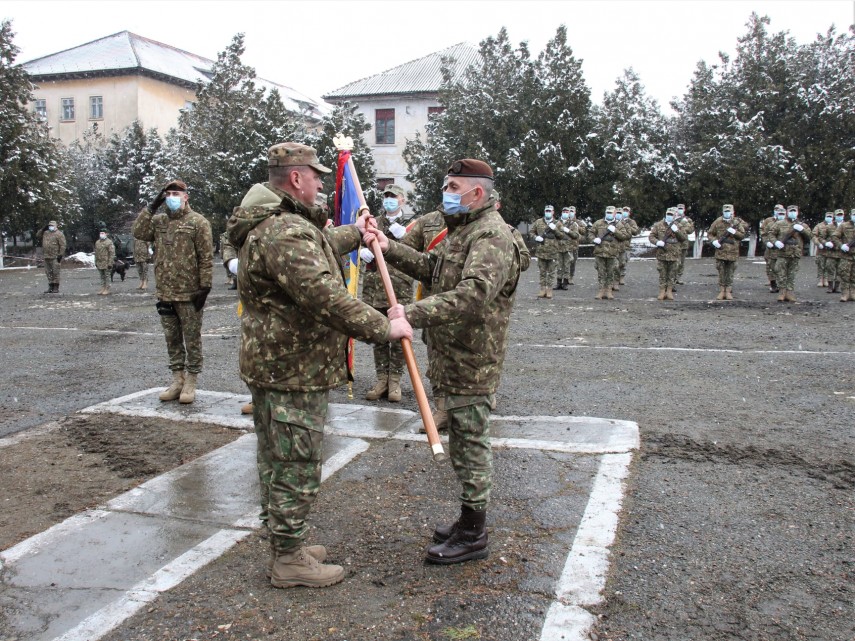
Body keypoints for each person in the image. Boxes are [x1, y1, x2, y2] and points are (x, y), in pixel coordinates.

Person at [226, 141, 412, 588]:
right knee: (295, 463)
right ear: (296, 178)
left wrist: (354, 230)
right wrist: (384, 328)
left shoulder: (275, 224)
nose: (321, 182)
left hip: (276, 364)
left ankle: (287, 541)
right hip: (293, 369)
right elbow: (325, 296)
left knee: (276, 458)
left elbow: (317, 245)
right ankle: (289, 559)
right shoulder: (286, 231)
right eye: (315, 175)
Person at [363, 158, 521, 565]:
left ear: (477, 193)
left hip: (473, 358)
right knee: (462, 442)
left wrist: (409, 315)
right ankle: (469, 519)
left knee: (470, 443)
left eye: (453, 187)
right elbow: (435, 269)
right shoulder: (464, 230)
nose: (447, 194)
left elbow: (472, 294)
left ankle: (473, 532)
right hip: (451, 354)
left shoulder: (492, 236)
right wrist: (388, 247)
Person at [132, 180, 213, 404]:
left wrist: (205, 287)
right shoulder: (158, 221)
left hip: (189, 293)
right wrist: (151, 206)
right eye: (167, 194)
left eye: (176, 193)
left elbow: (206, 258)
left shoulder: (198, 222)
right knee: (172, 339)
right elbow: (138, 232)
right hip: (166, 291)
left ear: (186, 196)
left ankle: (191, 380)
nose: (171, 197)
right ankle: (177, 378)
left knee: (192, 338)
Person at [360, 184, 414, 403]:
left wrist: (407, 237)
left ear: (402, 200)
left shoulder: (412, 224)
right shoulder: (374, 222)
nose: (389, 200)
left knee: (399, 336)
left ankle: (395, 381)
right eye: (386, 197)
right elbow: (359, 240)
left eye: (394, 197)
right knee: (380, 334)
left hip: (398, 287)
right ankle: (382, 378)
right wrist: (361, 251)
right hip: (375, 287)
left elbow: (421, 253)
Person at [768, 205, 811, 303]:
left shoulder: (802, 225)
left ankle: (789, 292)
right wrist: (776, 242)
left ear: (797, 212)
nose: (792, 213)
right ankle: (782, 292)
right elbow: (771, 234)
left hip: (795, 253)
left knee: (792, 274)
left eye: (794, 211)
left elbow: (810, 237)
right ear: (787, 212)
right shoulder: (779, 223)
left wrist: (802, 230)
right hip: (783, 252)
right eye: (791, 211)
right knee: (781, 273)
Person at [587, 206, 630, 299]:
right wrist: (594, 239)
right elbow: (590, 233)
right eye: (607, 212)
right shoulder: (598, 223)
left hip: (612, 252)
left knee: (611, 272)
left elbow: (624, 236)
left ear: (615, 213)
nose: (609, 214)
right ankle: (601, 290)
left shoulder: (619, 225)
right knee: (601, 272)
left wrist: (615, 231)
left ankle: (609, 290)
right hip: (600, 251)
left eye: (611, 212)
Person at [707, 204, 746, 300]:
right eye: (726, 211)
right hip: (721, 251)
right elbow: (710, 233)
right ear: (723, 212)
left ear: (733, 212)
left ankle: (728, 291)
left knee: (730, 272)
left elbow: (742, 236)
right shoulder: (718, 221)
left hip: (733, 252)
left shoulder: (737, 222)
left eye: (729, 211)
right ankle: (721, 291)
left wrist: (734, 232)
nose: (727, 213)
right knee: (721, 272)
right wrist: (714, 241)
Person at [648, 207, 687, 300]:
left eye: (671, 215)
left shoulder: (678, 225)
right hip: (662, 253)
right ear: (665, 214)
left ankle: (669, 291)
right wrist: (657, 242)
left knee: (672, 273)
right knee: (662, 273)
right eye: (668, 214)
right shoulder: (658, 225)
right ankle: (662, 291)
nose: (669, 216)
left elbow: (683, 238)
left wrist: (677, 231)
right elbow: (651, 236)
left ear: (674, 216)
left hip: (674, 254)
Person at [530, 205, 566, 299]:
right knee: (542, 272)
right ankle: (542, 289)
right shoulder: (538, 222)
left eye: (550, 211)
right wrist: (535, 237)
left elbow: (562, 236)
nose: (548, 212)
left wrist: (555, 230)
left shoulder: (558, 223)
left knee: (551, 272)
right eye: (546, 210)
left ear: (553, 212)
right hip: (541, 252)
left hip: (553, 252)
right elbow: (531, 232)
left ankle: (549, 289)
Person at [36, 220, 66, 294]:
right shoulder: (46, 233)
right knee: (48, 272)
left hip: (55, 257)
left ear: (56, 226)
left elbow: (63, 245)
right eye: (49, 225)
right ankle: (51, 286)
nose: (51, 227)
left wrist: (60, 255)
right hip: (46, 256)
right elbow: (38, 235)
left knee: (55, 272)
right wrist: (42, 229)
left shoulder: (59, 234)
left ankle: (56, 287)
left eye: (52, 225)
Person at [554, 207, 580, 290]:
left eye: (567, 212)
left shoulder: (573, 224)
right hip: (558, 247)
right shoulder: (557, 223)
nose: (565, 213)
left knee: (567, 266)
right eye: (564, 211)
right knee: (559, 266)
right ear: (561, 212)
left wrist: (568, 231)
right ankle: (558, 283)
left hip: (568, 248)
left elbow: (576, 235)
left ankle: (565, 283)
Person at [832, 209, 855, 302]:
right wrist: (841, 245)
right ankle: (845, 293)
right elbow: (834, 236)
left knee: (854, 275)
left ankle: (853, 293)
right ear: (850, 215)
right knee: (844, 274)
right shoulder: (844, 225)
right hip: (846, 254)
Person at [761, 205, 785, 292]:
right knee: (770, 267)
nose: (779, 213)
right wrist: (767, 242)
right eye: (777, 210)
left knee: (782, 268)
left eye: (782, 212)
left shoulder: (788, 224)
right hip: (771, 250)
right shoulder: (769, 222)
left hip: (783, 250)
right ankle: (773, 284)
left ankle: (782, 286)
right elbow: (764, 233)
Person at [823, 210, 845, 294]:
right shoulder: (829, 226)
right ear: (835, 216)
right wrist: (826, 243)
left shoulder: (846, 226)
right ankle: (830, 287)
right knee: (830, 269)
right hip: (831, 252)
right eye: (838, 215)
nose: (839, 216)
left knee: (840, 270)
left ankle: (837, 287)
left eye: (841, 215)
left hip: (842, 252)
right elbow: (822, 237)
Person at [617, 206, 639, 287]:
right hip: (616, 245)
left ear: (629, 213)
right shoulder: (616, 220)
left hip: (626, 245)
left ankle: (621, 277)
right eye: (624, 211)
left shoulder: (631, 222)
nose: (625, 212)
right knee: (615, 262)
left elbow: (635, 231)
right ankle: (615, 278)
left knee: (623, 262)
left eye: (627, 211)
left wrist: (626, 226)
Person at [812, 213, 835, 289]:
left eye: (830, 216)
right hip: (821, 249)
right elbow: (814, 236)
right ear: (825, 217)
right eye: (827, 216)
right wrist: (818, 244)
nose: (829, 218)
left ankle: (826, 279)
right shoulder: (819, 225)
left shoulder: (835, 226)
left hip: (832, 249)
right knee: (821, 264)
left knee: (829, 265)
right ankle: (820, 279)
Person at [674, 204, 694, 286]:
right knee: (675, 262)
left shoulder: (687, 219)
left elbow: (690, 229)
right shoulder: (673, 218)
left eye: (681, 209)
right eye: (679, 208)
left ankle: (677, 278)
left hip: (684, 244)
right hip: (674, 243)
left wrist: (681, 227)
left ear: (684, 209)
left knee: (681, 263)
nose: (680, 210)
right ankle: (673, 279)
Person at [94, 227, 116, 295]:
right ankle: (102, 288)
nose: (101, 234)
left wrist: (110, 263)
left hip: (106, 262)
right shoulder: (97, 242)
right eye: (100, 233)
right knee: (102, 276)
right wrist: (95, 261)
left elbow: (112, 253)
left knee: (107, 276)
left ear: (106, 234)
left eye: (103, 233)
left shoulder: (109, 242)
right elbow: (96, 253)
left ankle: (107, 288)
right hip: (100, 262)